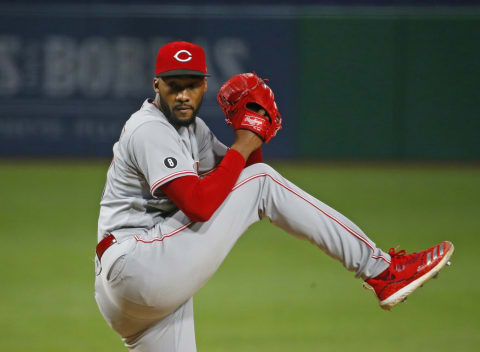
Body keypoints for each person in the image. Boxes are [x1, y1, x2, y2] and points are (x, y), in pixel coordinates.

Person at [94, 41, 454, 352]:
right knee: (264, 181)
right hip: (137, 265)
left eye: (192, 85)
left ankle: (383, 271)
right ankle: (383, 271)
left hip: (140, 289)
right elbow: (203, 204)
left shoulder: (194, 131)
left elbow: (240, 175)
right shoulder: (148, 129)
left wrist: (250, 130)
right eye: (173, 85)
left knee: (258, 178)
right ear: (156, 84)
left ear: (205, 84)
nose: (183, 94)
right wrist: (247, 139)